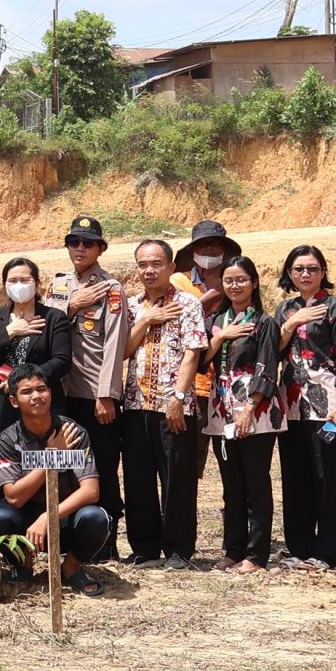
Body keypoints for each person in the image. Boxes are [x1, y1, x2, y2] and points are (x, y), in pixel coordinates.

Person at [193, 254, 282, 574]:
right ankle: (233, 549)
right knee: (231, 485)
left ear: (254, 283)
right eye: (228, 280)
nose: (234, 285)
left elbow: (267, 368)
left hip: (255, 410)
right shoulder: (216, 320)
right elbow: (201, 362)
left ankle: (256, 555)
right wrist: (220, 337)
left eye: (241, 280)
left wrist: (249, 409)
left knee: (256, 483)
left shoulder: (265, 322)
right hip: (221, 410)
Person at [272, 244, 336, 571]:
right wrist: (292, 323)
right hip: (291, 407)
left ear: (323, 271)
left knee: (328, 474)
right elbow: (272, 351)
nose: (305, 274)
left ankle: (325, 551)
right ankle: (299, 547)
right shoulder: (285, 309)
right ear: (289, 273)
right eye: (299, 269)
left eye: (312, 268)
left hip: (329, 407)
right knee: (295, 475)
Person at [0, 367, 114, 592]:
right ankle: (23, 566)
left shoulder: (72, 433)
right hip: (25, 522)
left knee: (97, 518)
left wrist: (49, 516)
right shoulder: (8, 439)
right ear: (14, 401)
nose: (36, 396)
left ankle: (71, 568)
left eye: (41, 389)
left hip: (65, 518)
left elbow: (91, 491)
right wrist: (52, 457)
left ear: (50, 393)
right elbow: (14, 497)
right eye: (27, 392)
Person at [119, 239, 201, 567]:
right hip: (135, 403)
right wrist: (146, 320)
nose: (149, 270)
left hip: (173, 406)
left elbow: (193, 352)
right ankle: (145, 547)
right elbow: (123, 351)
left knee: (177, 478)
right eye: (143, 264)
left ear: (171, 267)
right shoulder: (131, 306)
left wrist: (178, 397)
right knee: (138, 477)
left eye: (156, 264)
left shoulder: (187, 303)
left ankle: (179, 549)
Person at [56, 216, 132, 529]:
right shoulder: (59, 286)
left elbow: (115, 344)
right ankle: (76, 536)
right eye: (74, 242)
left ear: (100, 249)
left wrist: (107, 394)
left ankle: (107, 537)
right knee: (69, 467)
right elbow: (46, 327)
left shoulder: (110, 288)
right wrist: (71, 306)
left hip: (93, 394)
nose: (80, 248)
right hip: (61, 393)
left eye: (88, 243)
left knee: (101, 466)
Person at [0, 257, 73, 473]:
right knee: (2, 465)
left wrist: (23, 382)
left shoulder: (53, 318)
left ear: (36, 283)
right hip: (2, 403)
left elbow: (62, 361)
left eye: (25, 280)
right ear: (5, 285)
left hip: (41, 402)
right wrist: (10, 332)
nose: (19, 285)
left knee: (46, 463)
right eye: (13, 280)